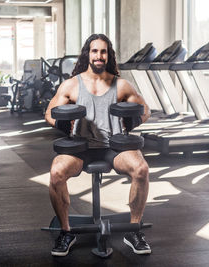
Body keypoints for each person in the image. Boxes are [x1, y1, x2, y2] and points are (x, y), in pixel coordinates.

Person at [45, 33, 151, 257]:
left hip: (113, 147)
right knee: (56, 172)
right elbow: (49, 113)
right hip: (80, 148)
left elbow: (145, 110)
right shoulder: (72, 85)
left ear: (108, 55)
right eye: (95, 51)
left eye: (103, 51)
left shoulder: (121, 84)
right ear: (88, 54)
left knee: (141, 169)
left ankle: (134, 230)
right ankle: (66, 232)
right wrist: (65, 126)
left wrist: (130, 123)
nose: (99, 56)